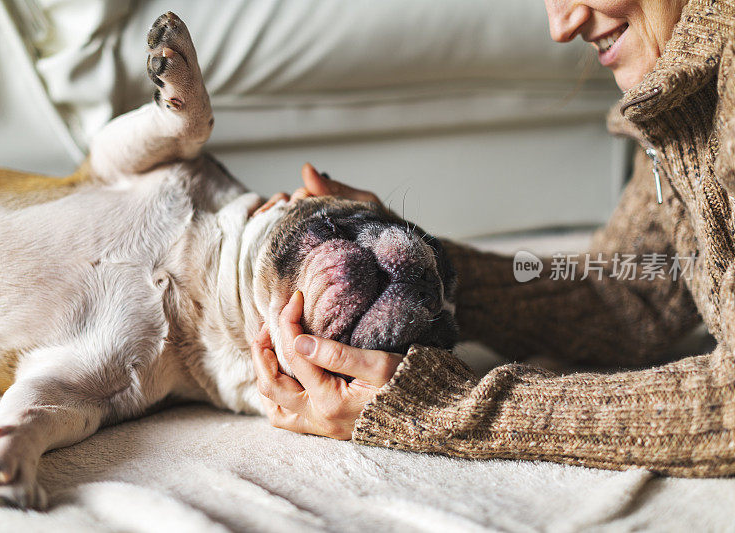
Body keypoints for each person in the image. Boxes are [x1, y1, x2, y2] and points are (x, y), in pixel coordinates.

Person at [251, 0, 735, 476]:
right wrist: (419, 276)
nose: (560, 26)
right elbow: (632, 291)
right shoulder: (678, 91)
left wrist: (448, 408)